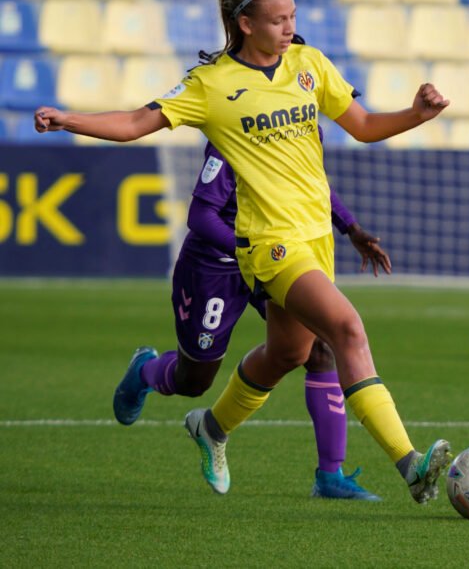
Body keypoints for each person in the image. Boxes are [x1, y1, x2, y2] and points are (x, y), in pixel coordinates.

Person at [35, 0, 452, 503]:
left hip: (315, 241)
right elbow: (138, 122)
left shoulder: (309, 64)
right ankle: (411, 466)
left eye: (293, 16)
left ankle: (210, 428)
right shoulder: (211, 85)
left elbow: (365, 127)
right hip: (269, 244)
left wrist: (417, 115)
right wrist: (69, 119)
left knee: (288, 353)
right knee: (346, 329)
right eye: (277, 19)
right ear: (244, 23)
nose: (288, 27)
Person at [113, 133, 389, 501]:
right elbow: (201, 215)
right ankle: (146, 369)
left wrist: (350, 227)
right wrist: (249, 249)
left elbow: (314, 183)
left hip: (275, 257)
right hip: (216, 264)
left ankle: (330, 475)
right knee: (194, 380)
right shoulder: (236, 132)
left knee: (319, 348)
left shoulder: (299, 119)